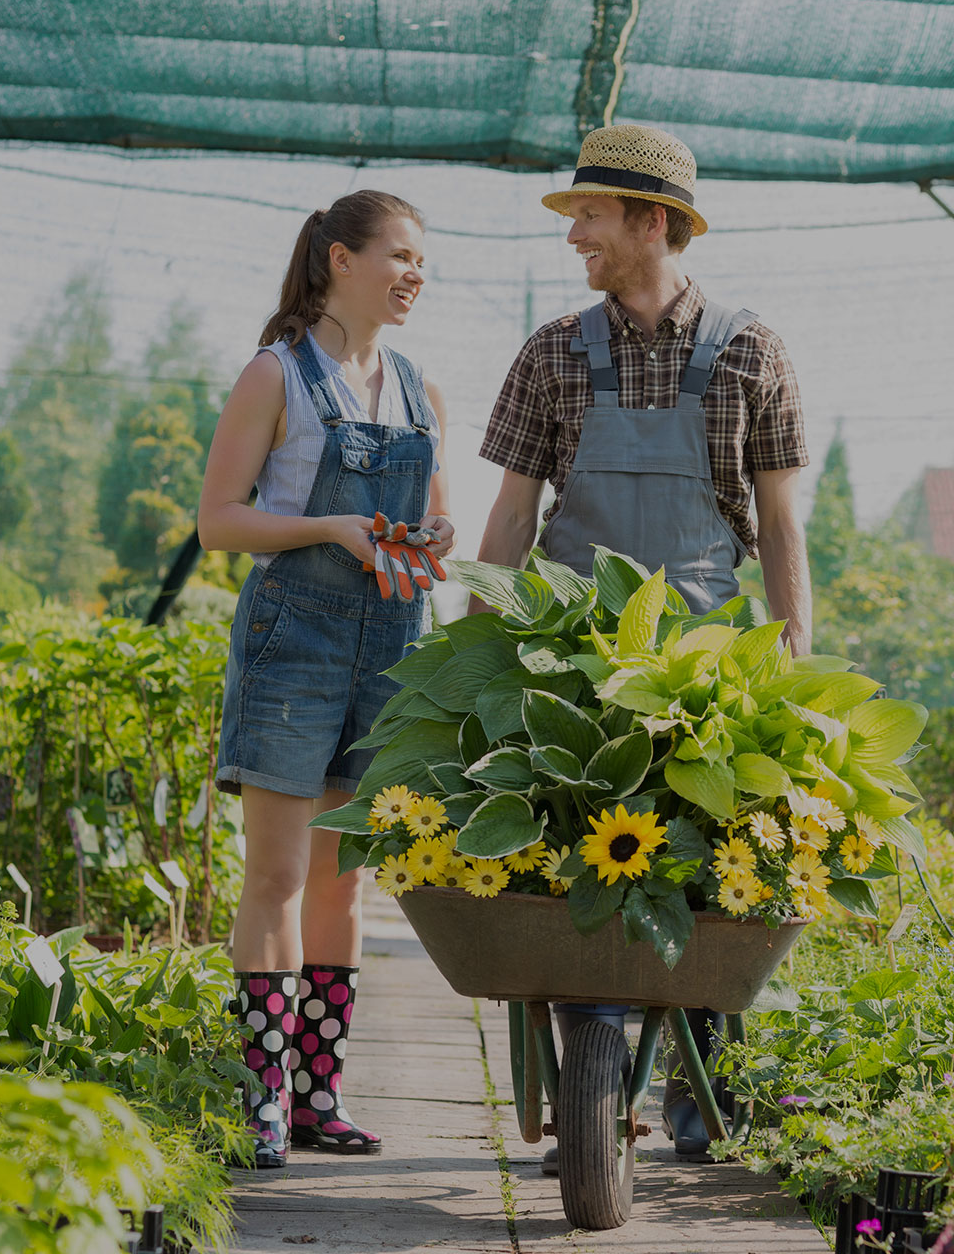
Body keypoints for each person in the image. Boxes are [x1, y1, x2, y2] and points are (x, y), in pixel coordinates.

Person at [475, 124, 811, 1165]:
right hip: (570, 659)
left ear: (651, 221)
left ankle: (702, 1090)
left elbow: (782, 520)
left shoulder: (752, 350)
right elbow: (511, 521)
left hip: (705, 660)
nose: (574, 233)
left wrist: (794, 654)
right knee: (577, 844)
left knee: (714, 866)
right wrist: (478, 657)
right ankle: (594, 1079)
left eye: (589, 214)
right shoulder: (551, 353)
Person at [197, 190, 455, 1169]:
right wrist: (327, 526)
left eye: (423, 260)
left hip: (390, 637)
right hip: (295, 635)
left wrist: (431, 539)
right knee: (276, 872)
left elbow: (441, 520)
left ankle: (318, 1094)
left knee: (345, 880)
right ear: (339, 258)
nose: (414, 274)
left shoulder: (419, 386)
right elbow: (220, 521)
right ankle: (260, 1096)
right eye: (399, 255)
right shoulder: (278, 374)